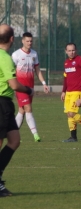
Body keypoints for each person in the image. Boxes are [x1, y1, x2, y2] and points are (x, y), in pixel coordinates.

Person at [0, 24, 35, 197]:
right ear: (12, 39)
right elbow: (13, 84)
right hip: (1, 103)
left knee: (14, 140)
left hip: (5, 104)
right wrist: (28, 90)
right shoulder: (5, 58)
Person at [11, 32, 49, 142]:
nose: (29, 43)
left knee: (22, 110)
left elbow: (37, 70)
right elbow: (10, 70)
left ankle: (12, 133)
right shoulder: (16, 54)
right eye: (27, 41)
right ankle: (35, 134)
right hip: (20, 87)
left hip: (30, 87)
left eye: (31, 41)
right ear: (22, 41)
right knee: (28, 108)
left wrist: (44, 83)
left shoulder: (34, 54)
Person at [61, 43, 81, 142]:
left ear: (76, 50)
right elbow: (65, 78)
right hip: (68, 92)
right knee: (68, 114)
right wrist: (63, 91)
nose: (71, 52)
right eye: (69, 51)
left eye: (73, 50)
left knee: (72, 113)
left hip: (78, 91)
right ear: (66, 51)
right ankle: (73, 137)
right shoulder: (66, 62)